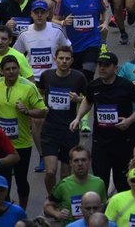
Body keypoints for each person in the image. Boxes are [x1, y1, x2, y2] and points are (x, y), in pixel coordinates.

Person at [72, 51, 135, 193]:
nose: (101, 68)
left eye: (106, 65)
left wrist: (129, 121)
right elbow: (88, 101)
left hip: (122, 142)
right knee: (100, 183)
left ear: (115, 68)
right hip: (100, 143)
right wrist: (78, 118)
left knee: (122, 183)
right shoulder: (93, 85)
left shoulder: (125, 86)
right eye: (99, 65)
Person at [0, 54, 47, 208]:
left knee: (21, 180)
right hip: (2, 143)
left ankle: (22, 211)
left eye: (14, 68)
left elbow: (44, 111)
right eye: (8, 69)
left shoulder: (28, 87)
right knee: (4, 179)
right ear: (2, 71)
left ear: (19, 69)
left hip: (22, 143)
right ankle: (4, 210)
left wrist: (28, 111)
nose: (11, 72)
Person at [37, 47, 88, 195]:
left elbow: (89, 100)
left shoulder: (79, 77)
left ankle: (63, 200)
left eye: (67, 59)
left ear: (72, 60)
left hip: (69, 130)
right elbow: (39, 94)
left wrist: (78, 99)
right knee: (51, 172)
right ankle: (52, 197)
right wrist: (40, 108)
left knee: (66, 174)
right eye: (61, 58)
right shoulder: (47, 76)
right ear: (55, 59)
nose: (64, 61)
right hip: (49, 130)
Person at [54, 0, 110, 78]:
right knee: (76, 77)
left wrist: (105, 23)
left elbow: (105, 10)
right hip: (72, 45)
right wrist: (62, 22)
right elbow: (53, 19)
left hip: (92, 43)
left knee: (88, 73)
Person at [43, 147, 107, 224]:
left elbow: (104, 207)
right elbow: (47, 206)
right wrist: (57, 214)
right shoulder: (63, 185)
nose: (80, 164)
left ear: (89, 161)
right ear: (70, 163)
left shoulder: (99, 183)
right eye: (76, 161)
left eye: (83, 160)